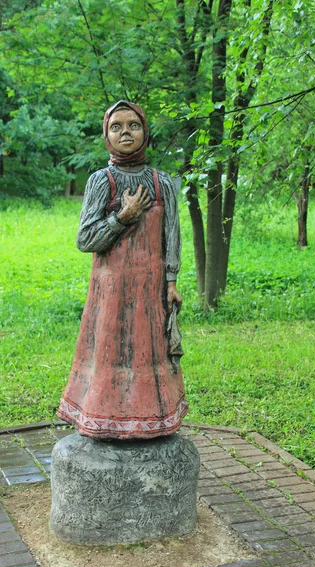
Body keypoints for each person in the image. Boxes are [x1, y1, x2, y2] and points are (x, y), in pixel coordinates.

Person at [57, 100, 188, 439]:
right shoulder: (103, 180)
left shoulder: (161, 182)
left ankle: (151, 422)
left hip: (151, 288)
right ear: (106, 135)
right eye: (117, 127)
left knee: (150, 353)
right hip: (110, 292)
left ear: (145, 132)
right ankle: (103, 419)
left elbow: (171, 234)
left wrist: (171, 280)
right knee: (110, 351)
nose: (125, 132)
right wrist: (123, 217)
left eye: (133, 125)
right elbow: (86, 239)